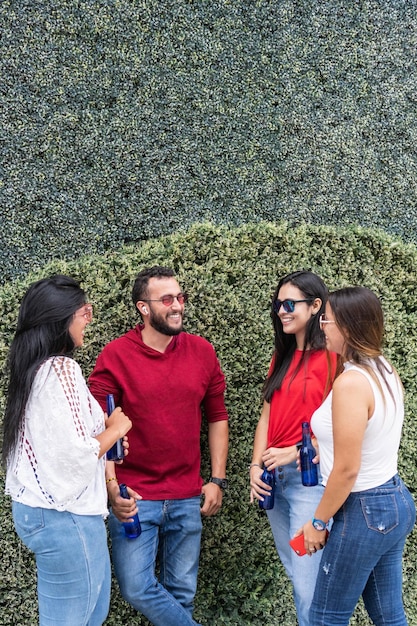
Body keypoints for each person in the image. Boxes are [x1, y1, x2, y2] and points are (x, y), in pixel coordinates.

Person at [88, 265, 229, 626]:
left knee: (182, 594)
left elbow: (217, 416)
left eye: (180, 297)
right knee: (137, 588)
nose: (177, 305)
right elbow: (94, 425)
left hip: (186, 495)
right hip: (135, 497)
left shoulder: (201, 351)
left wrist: (217, 478)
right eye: (167, 299)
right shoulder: (116, 355)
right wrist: (110, 487)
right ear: (143, 308)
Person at [2, 275, 132, 626]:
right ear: (61, 317)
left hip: (48, 514)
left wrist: (105, 437)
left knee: (89, 614)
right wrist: (117, 428)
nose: (89, 318)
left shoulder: (33, 370)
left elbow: (66, 444)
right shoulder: (60, 368)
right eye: (84, 311)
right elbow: (75, 454)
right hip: (66, 516)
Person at [297, 286, 416, 626]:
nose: (322, 326)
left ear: (347, 327)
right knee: (389, 616)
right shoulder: (383, 368)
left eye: (327, 320)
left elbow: (348, 469)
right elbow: (372, 432)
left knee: (324, 618)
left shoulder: (351, 382)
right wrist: (326, 445)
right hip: (392, 500)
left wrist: (318, 521)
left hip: (365, 509)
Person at [249, 270, 337, 626]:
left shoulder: (334, 358)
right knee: (296, 574)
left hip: (308, 480)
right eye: (278, 304)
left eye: (290, 304)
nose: (282, 311)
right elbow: (266, 416)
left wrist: (294, 452)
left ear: (316, 306)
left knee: (308, 585)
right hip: (273, 481)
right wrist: (255, 466)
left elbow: (347, 427)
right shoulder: (281, 356)